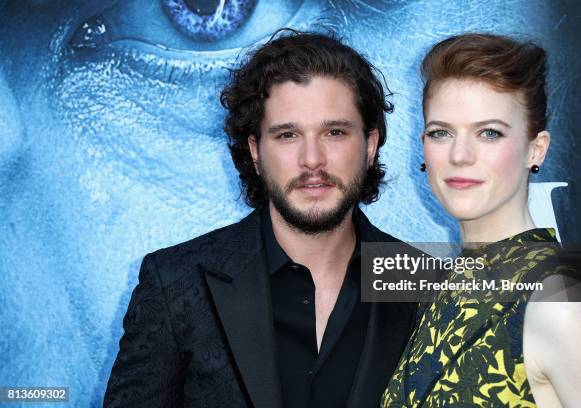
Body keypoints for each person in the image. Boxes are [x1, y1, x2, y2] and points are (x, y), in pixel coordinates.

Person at [104, 30, 421, 408]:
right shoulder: (175, 284)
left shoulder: (427, 285)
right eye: (287, 135)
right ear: (255, 152)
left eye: (334, 132)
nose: (312, 159)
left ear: (369, 146)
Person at [381, 33, 581, 407]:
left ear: (535, 149)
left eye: (489, 133)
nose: (459, 155)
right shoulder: (445, 290)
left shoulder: (560, 305)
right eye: (441, 132)